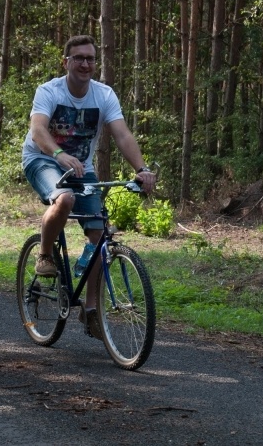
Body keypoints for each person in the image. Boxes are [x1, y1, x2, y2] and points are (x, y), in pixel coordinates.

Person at [22, 34, 156, 339]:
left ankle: (92, 310)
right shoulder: (49, 91)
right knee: (64, 199)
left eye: (91, 58)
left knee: (99, 235)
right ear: (66, 62)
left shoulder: (103, 95)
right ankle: (44, 254)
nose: (85, 64)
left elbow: (121, 134)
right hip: (43, 159)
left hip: (82, 166)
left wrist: (142, 169)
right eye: (79, 58)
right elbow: (38, 128)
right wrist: (59, 153)